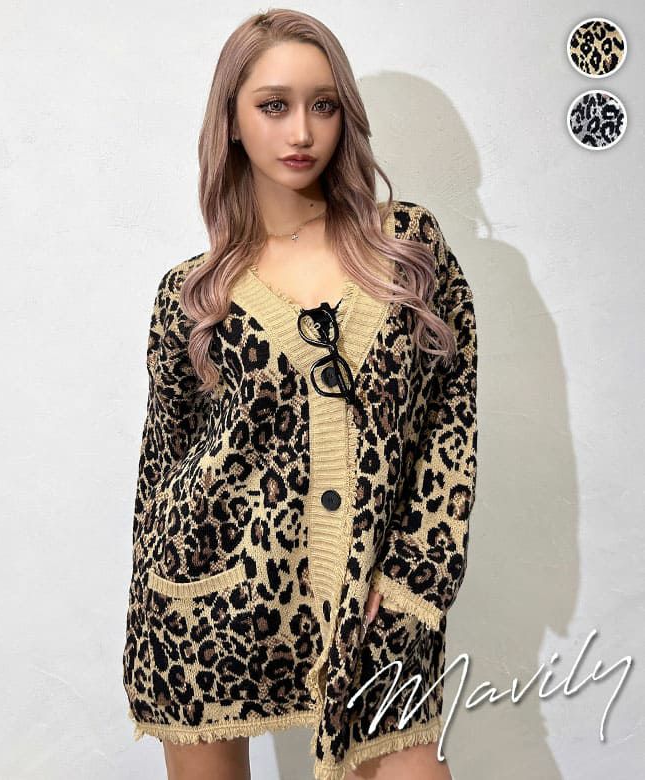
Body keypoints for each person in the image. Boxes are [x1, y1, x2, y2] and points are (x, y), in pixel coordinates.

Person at [122, 8, 477, 780]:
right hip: (206, 611)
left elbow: (449, 421)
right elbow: (160, 472)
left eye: (324, 105)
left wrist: (413, 579)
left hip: (373, 605)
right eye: (274, 105)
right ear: (232, 120)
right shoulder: (191, 295)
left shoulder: (406, 250)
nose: (302, 132)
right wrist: (149, 626)